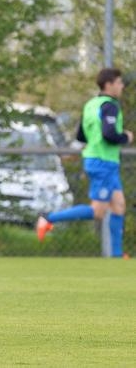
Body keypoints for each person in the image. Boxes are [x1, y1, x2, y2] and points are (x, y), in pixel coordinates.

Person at [36, 68, 133, 257]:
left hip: (103, 161)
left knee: (119, 205)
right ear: (109, 84)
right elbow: (109, 135)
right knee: (98, 211)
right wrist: (126, 137)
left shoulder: (91, 104)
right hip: (102, 162)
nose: (122, 87)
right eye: (119, 83)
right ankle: (48, 219)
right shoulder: (110, 105)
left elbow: (81, 135)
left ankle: (117, 254)